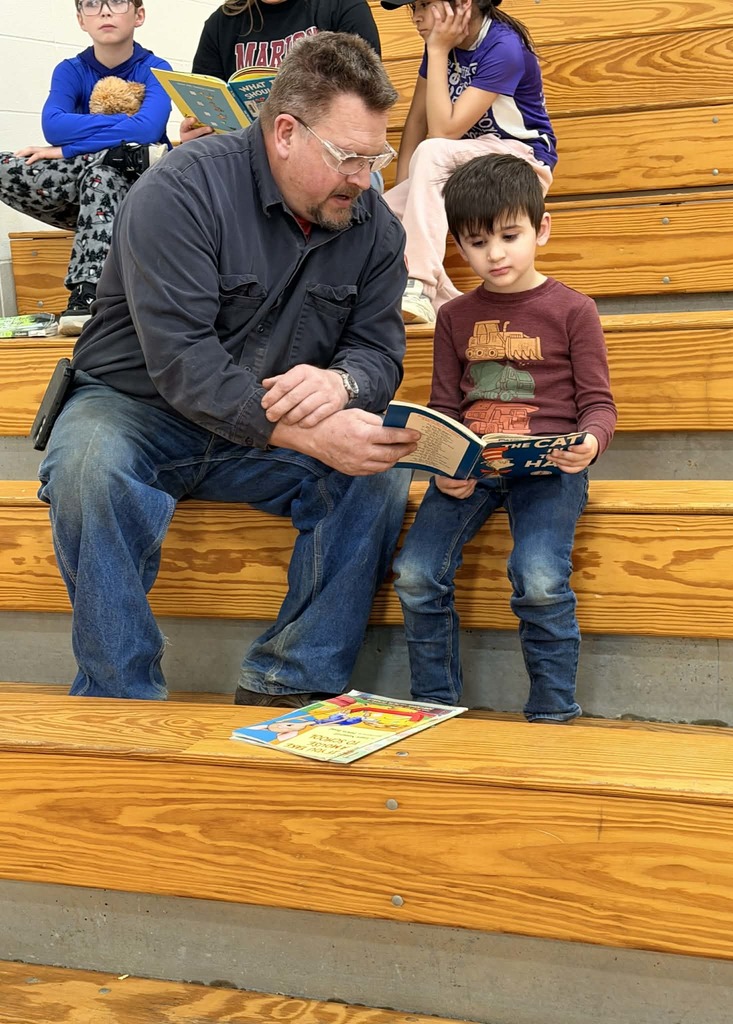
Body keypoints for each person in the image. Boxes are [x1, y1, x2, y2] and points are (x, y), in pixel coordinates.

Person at [36, 32, 419, 706]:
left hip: (257, 422)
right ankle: (119, 695)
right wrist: (308, 433)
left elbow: (380, 350)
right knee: (87, 466)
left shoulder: (372, 226)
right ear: (284, 133)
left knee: (376, 471)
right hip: (137, 408)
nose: (364, 177)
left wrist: (342, 384)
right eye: (348, 157)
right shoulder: (179, 190)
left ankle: (289, 683)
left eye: (375, 156)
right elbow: (185, 364)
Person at [392, 155, 617, 722]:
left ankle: (552, 711)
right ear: (458, 246)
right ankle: (435, 705)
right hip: (474, 469)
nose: (495, 254)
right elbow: (445, 405)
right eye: (476, 242)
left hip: (550, 469)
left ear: (541, 229)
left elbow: (597, 403)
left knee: (538, 578)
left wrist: (589, 443)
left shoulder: (574, 310)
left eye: (510, 236)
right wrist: (443, 465)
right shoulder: (454, 317)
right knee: (416, 573)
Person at [0, 0, 172, 336]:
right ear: (81, 19)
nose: (105, 12)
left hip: (139, 199)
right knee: (5, 164)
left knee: (103, 175)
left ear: (139, 15)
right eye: (92, 4)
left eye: (116, 2)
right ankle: (121, 158)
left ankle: (87, 294)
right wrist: (113, 146)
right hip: (82, 199)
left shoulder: (156, 69)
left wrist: (67, 148)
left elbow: (147, 130)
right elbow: (53, 126)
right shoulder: (70, 70)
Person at [381, 0, 557, 325]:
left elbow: (443, 132)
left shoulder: (503, 46)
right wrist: (408, 189)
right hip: (464, 163)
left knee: (432, 151)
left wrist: (437, 52)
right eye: (413, 8)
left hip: (522, 163)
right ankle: (443, 306)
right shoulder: (441, 47)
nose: (416, 17)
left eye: (423, 4)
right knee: (381, 214)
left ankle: (418, 283)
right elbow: (416, 123)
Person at [181, 0, 381, 145]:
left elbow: (366, 94)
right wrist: (200, 135)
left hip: (332, 152)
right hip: (248, 160)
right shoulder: (221, 23)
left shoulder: (342, 6)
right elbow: (207, 101)